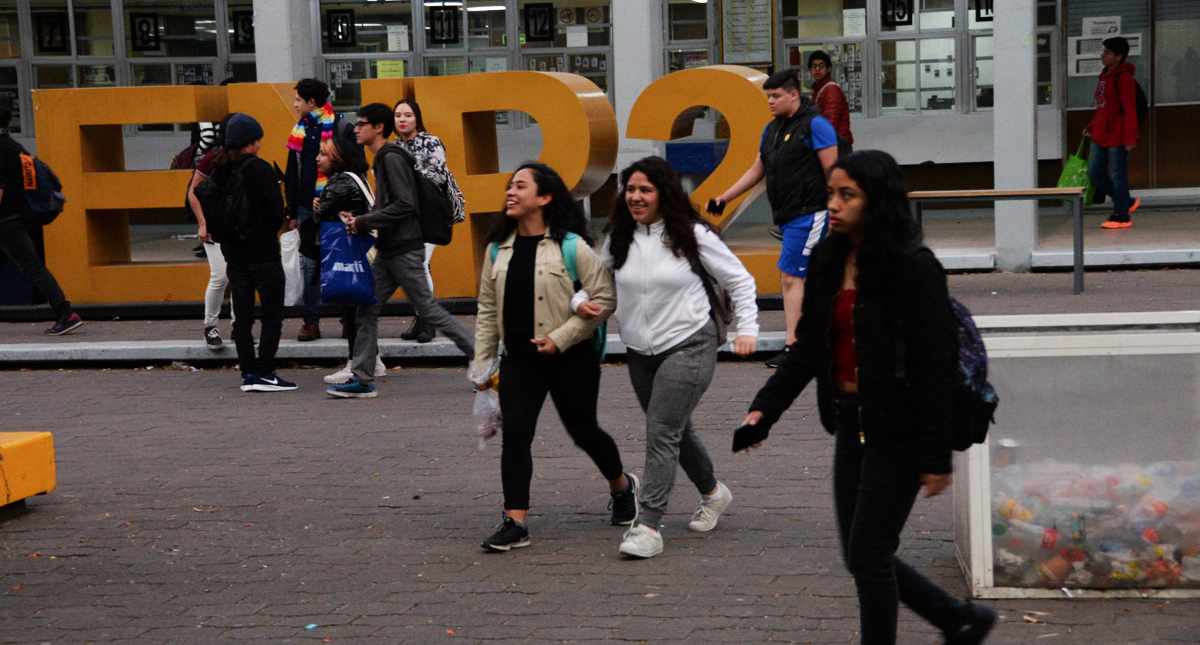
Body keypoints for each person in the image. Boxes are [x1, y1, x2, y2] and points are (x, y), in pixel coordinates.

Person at [740, 150, 996, 645]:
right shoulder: (828, 258)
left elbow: (934, 367)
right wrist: (764, 410)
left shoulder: (912, 266)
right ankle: (958, 620)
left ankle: (952, 622)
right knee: (862, 554)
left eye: (847, 195)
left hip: (900, 426)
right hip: (849, 419)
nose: (833, 204)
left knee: (869, 554)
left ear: (877, 200)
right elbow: (808, 346)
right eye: (831, 193)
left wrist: (936, 457)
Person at [594, 157, 759, 559]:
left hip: (691, 343)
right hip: (639, 350)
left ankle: (648, 526)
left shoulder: (692, 234)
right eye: (631, 189)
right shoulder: (619, 236)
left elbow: (740, 279)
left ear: (664, 194)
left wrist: (749, 330)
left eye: (645, 190)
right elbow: (596, 283)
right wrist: (581, 302)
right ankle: (714, 493)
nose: (635, 197)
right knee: (673, 429)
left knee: (661, 430)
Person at [473, 162, 637, 552]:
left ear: (545, 197)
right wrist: (481, 364)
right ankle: (516, 523)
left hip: (571, 359)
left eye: (521, 186)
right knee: (516, 436)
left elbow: (605, 299)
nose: (511, 192)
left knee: (584, 431)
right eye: (510, 186)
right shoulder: (498, 248)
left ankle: (622, 486)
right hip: (519, 360)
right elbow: (487, 309)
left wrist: (560, 339)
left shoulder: (572, 246)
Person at [329, 103, 475, 399]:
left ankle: (486, 359)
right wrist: (361, 218)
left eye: (362, 124)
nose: (356, 129)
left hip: (405, 249)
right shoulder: (385, 156)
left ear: (378, 128)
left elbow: (405, 204)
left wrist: (365, 221)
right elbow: (390, 203)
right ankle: (362, 379)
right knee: (366, 309)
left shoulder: (390, 157)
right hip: (390, 249)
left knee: (429, 310)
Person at [708, 69, 838, 369]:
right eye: (768, 96)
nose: (770, 101)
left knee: (792, 277)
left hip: (812, 213)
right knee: (796, 277)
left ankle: (796, 347)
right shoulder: (773, 129)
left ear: (793, 95)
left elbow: (834, 172)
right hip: (789, 216)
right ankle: (813, 340)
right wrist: (725, 197)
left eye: (776, 96)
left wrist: (837, 211)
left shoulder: (816, 125)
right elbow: (758, 169)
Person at [207, 113, 296, 393]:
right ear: (249, 142)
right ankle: (266, 372)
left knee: (242, 316)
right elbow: (274, 213)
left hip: (233, 254)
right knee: (272, 315)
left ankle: (248, 372)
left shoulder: (219, 168)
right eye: (257, 140)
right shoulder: (260, 169)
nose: (259, 144)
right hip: (263, 253)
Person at [303, 137, 387, 386]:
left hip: (348, 253)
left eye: (323, 154)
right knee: (360, 307)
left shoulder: (340, 180)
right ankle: (374, 360)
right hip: (364, 250)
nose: (318, 158)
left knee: (351, 308)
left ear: (337, 158)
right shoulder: (357, 178)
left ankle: (354, 363)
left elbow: (320, 216)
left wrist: (317, 208)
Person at [0, 102, 83, 336]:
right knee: (31, 266)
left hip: (6, 221)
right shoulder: (14, 146)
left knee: (33, 268)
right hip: (15, 216)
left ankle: (66, 314)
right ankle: (65, 313)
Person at [392, 98, 465, 344]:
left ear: (417, 118)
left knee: (420, 264)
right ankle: (420, 317)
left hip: (429, 213)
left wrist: (404, 181)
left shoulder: (430, 142)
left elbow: (436, 176)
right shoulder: (394, 146)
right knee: (411, 266)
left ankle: (427, 321)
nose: (402, 120)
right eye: (398, 116)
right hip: (404, 216)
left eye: (408, 115)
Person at [285, 78, 336, 341]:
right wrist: (293, 211)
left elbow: (349, 166)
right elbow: (291, 172)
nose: (295, 105)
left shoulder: (338, 126)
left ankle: (348, 320)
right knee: (311, 266)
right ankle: (311, 322)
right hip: (306, 207)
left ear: (311, 102)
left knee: (340, 261)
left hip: (336, 207)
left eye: (298, 100)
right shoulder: (300, 129)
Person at [188, 113, 236, 350]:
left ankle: (239, 325)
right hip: (215, 225)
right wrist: (202, 223)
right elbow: (193, 191)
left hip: (236, 226)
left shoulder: (247, 160)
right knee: (220, 276)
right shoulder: (211, 158)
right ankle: (210, 326)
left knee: (238, 275)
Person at [1084, 36, 1141, 230]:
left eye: (1107, 53)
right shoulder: (1104, 76)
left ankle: (1121, 215)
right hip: (1101, 135)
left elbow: (1130, 109)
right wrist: (1091, 127)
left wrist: (1131, 137)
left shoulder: (1124, 78)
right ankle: (1125, 201)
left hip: (1118, 136)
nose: (1102, 55)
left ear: (1118, 57)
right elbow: (1103, 108)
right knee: (1094, 172)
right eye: (1104, 51)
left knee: (1118, 176)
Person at [808, 50, 854, 146]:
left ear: (828, 69)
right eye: (814, 66)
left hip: (836, 144)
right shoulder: (818, 89)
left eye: (821, 66)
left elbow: (830, 122)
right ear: (810, 70)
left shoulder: (831, 90)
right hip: (832, 141)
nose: (817, 69)